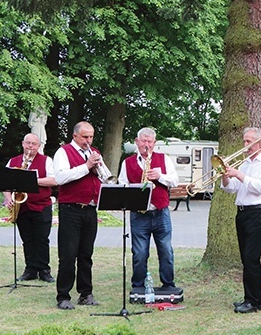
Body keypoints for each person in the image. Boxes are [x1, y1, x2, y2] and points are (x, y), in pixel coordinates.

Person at [118, 127, 182, 294]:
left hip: (160, 212)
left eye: (150, 142)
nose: (146, 145)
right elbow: (122, 184)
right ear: (137, 142)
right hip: (139, 215)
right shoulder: (128, 162)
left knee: (166, 250)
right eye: (143, 141)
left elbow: (174, 180)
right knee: (139, 253)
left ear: (154, 143)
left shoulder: (163, 159)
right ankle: (138, 285)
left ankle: (168, 284)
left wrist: (159, 177)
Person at [221, 127, 261, 314]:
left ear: (259, 143)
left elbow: (260, 187)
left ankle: (255, 302)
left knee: (252, 258)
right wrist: (225, 176)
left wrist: (238, 174)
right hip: (242, 212)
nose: (245, 145)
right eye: (244, 141)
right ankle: (249, 298)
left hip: (258, 213)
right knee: (246, 258)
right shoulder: (245, 163)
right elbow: (232, 189)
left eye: (248, 142)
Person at [52, 121, 105, 310]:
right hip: (71, 208)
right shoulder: (63, 152)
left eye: (91, 137)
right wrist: (86, 166)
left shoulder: (93, 152)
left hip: (90, 209)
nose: (88, 141)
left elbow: (102, 177)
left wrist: (98, 169)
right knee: (68, 255)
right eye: (85, 137)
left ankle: (86, 293)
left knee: (86, 254)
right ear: (75, 136)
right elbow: (60, 178)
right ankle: (63, 296)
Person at [3, 133, 57, 282]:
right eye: (28, 143)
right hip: (22, 207)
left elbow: (53, 180)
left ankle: (44, 270)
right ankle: (30, 269)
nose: (30, 147)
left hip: (41, 206)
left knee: (42, 239)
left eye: (34, 144)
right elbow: (4, 183)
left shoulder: (47, 161)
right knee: (27, 239)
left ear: (39, 146)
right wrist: (8, 199)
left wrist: (32, 180)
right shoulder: (13, 161)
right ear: (22, 144)